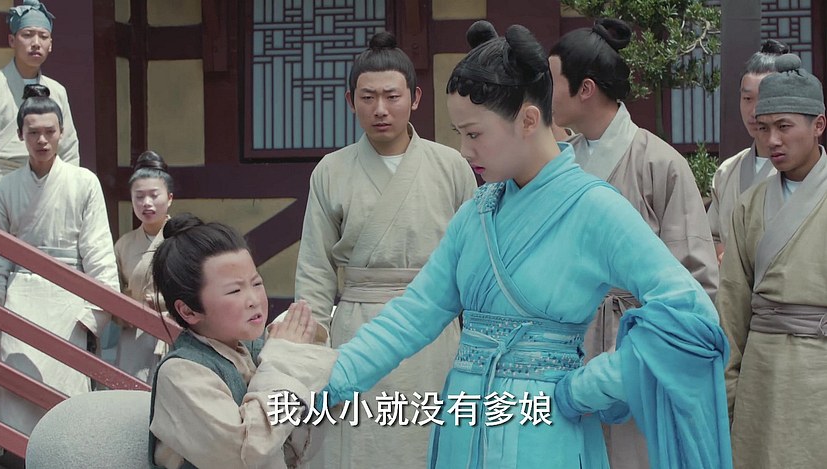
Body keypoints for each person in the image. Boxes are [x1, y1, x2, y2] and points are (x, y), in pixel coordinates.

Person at [322, 21, 731, 469]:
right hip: (463, 427)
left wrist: (588, 387)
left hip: (546, 432)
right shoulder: (476, 213)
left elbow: (693, 316)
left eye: (474, 134)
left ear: (528, 120)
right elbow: (411, 316)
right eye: (460, 134)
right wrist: (322, 382)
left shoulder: (594, 208)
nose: (465, 150)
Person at [295, 31, 476, 468]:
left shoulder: (451, 165)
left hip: (434, 331)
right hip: (359, 332)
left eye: (392, 96)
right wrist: (311, 352)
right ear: (350, 101)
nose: (380, 109)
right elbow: (316, 271)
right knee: (360, 445)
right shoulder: (331, 170)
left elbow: (475, 262)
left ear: (415, 98)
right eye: (368, 97)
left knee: (430, 442)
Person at [547, 19, 719, 469]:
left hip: (638, 350)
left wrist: (642, 355)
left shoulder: (660, 164)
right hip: (566, 343)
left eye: (552, 80)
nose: (543, 93)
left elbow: (697, 282)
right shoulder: (559, 165)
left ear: (585, 89)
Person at [148, 214, 337, 469]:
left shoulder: (257, 349)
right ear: (188, 311)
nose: (254, 299)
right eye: (235, 290)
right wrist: (286, 364)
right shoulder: (180, 373)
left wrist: (305, 354)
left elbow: (298, 444)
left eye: (256, 283)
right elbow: (243, 453)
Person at [717, 54, 827, 469]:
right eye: (764, 128)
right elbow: (732, 307)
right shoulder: (749, 205)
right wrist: (730, 390)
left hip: (818, 371)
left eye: (784, 126)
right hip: (761, 373)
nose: (772, 140)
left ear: (818, 125)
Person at [0, 85, 118, 438]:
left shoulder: (84, 183)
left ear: (62, 132)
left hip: (68, 301)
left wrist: (93, 313)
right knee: (17, 394)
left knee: (65, 401)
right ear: (20, 135)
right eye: (33, 132)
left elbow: (99, 253)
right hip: (20, 299)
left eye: (50, 131)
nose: (42, 140)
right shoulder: (6, 189)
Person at [707, 40, 788, 263]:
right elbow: (711, 236)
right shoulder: (727, 171)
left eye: (763, 98)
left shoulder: (802, 171)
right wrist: (722, 255)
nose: (753, 111)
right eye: (747, 99)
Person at [0, 0, 79, 179]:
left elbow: (68, 148)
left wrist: (69, 185)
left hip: (48, 181)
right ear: (12, 40)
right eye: (28, 35)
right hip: (1, 179)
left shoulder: (57, 91)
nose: (36, 43)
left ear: (51, 44)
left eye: (43, 36)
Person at [111, 150, 173, 383]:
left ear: (169, 198)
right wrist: (124, 313)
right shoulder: (124, 245)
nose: (146, 203)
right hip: (134, 334)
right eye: (139, 196)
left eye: (154, 195)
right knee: (131, 395)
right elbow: (113, 288)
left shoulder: (184, 239)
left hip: (175, 330)